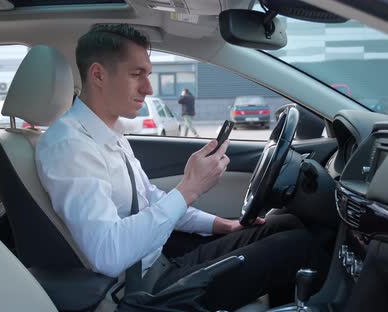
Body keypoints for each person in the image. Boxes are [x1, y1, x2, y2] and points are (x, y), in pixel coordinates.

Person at [36, 24, 316, 311]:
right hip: (144, 290)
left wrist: (221, 225)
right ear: (98, 75)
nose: (148, 88)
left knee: (284, 224)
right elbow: (108, 253)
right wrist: (189, 188)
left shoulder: (109, 135)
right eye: (136, 75)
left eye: (148, 75)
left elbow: (152, 200)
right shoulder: (69, 145)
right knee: (299, 244)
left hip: (159, 260)